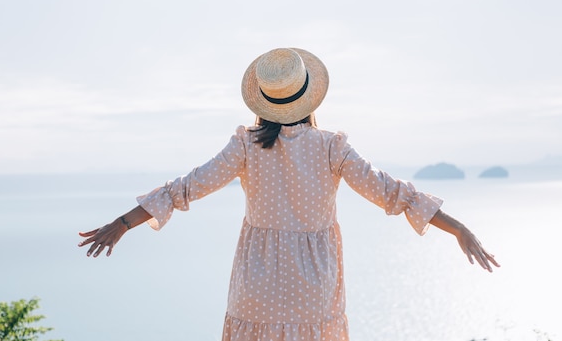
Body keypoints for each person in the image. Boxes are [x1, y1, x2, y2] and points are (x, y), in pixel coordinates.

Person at [78, 47, 499, 341]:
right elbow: (392, 193)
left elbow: (186, 187)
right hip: (315, 291)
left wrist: (123, 223)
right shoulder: (333, 147)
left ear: (263, 100)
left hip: (257, 288)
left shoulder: (245, 145)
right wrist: (456, 227)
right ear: (309, 94)